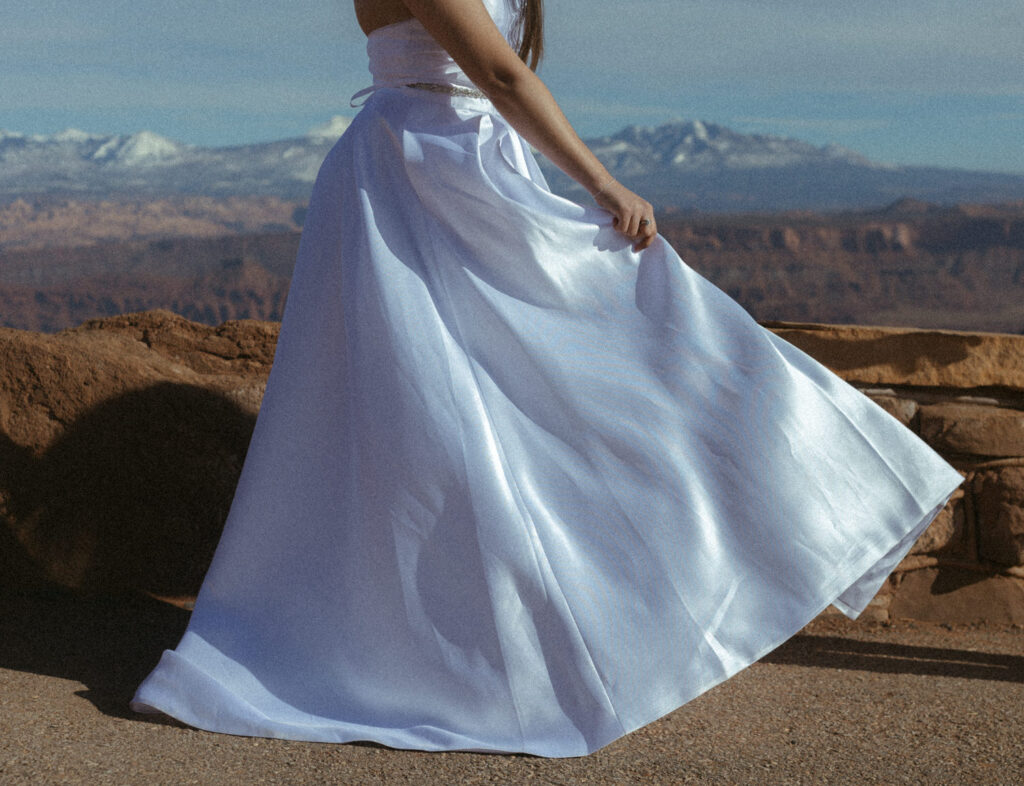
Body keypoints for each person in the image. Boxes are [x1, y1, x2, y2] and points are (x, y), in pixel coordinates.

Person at [130, 0, 963, 758]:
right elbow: (499, 73)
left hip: (441, 169)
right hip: (432, 171)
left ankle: (510, 638)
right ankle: (460, 660)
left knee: (494, 396)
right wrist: (600, 182)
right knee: (434, 410)